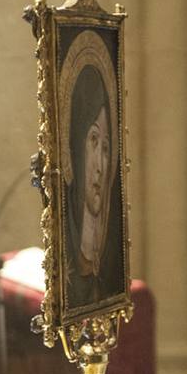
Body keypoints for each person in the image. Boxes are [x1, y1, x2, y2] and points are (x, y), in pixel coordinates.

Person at [63, 63, 124, 310]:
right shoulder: (68, 260)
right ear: (76, 148)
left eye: (107, 148)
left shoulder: (108, 269)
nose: (100, 165)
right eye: (93, 140)